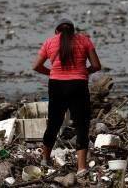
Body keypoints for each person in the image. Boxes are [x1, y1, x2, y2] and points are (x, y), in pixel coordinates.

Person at [32, 18, 102, 175]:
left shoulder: (50, 42)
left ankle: (45, 159)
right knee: (82, 125)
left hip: (56, 85)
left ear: (57, 31)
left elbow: (36, 66)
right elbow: (97, 65)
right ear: (73, 30)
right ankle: (82, 167)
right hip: (78, 85)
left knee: (54, 123)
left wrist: (51, 72)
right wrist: (84, 71)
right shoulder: (84, 40)